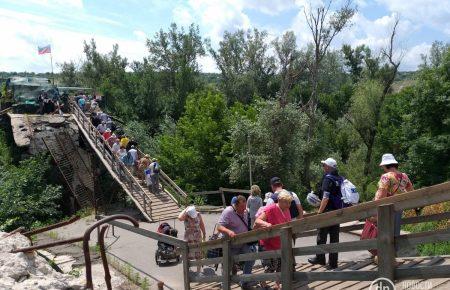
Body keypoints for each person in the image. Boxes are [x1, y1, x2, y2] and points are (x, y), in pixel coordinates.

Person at [255, 190, 293, 289]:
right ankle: (262, 280)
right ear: (279, 200)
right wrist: (266, 224)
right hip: (268, 242)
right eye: (286, 202)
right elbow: (257, 221)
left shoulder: (287, 210)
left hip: (281, 242)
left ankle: (277, 285)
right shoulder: (271, 208)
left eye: (289, 202)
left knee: (281, 265)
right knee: (271, 266)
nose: (288, 205)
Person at [308, 158, 342, 269]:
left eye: (324, 165)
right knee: (334, 238)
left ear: (329, 167)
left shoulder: (328, 179)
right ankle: (333, 263)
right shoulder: (340, 178)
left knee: (321, 236)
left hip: (327, 212)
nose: (323, 167)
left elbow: (325, 197)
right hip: (337, 212)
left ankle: (320, 258)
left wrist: (319, 212)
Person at [217, 195, 255, 290]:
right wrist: (229, 231)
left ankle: (244, 281)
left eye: (245, 206)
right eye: (241, 207)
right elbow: (219, 227)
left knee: (251, 257)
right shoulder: (228, 211)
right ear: (236, 205)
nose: (244, 209)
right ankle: (224, 284)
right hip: (230, 244)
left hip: (243, 242)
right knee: (227, 264)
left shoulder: (245, 212)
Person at [374, 153, 414, 236]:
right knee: (395, 234)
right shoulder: (404, 176)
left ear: (385, 165)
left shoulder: (386, 177)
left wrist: (374, 210)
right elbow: (412, 192)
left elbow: (381, 196)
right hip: (399, 208)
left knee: (385, 235)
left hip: (386, 209)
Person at [178, 206, 206, 274]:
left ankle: (198, 271)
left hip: (197, 236)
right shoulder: (186, 215)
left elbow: (201, 224)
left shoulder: (198, 214)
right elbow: (179, 218)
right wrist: (186, 209)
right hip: (188, 237)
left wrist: (204, 233)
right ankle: (187, 268)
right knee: (188, 253)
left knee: (198, 253)